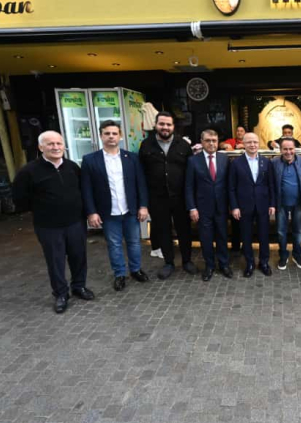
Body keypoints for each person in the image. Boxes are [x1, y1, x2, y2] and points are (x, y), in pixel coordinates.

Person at [13, 131, 94, 314]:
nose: (56, 147)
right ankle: (61, 294)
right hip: (48, 226)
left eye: (59, 143)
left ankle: (79, 286)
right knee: (55, 261)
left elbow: (82, 191)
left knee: (78, 256)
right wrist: (43, 209)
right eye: (50, 144)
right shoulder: (29, 171)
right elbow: (20, 199)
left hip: (75, 222)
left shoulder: (72, 167)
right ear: (41, 147)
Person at [81, 121, 150, 292]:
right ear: (101, 136)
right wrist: (91, 212)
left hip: (130, 210)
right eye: (107, 133)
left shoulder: (132, 158)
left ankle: (135, 270)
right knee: (114, 244)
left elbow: (141, 183)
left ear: (120, 136)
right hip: (108, 212)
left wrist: (143, 206)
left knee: (134, 242)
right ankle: (120, 274)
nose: (111, 136)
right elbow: (86, 189)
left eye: (114, 133)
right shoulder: (90, 160)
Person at [138, 112, 197, 280]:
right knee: (163, 231)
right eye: (162, 124)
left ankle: (187, 261)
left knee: (184, 230)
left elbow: (190, 174)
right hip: (157, 198)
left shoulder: (183, 145)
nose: (165, 127)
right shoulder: (146, 145)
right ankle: (169, 263)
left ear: (173, 126)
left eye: (168, 124)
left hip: (180, 197)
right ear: (155, 125)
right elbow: (141, 174)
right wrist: (143, 202)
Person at [185, 129, 233, 281]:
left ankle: (224, 264)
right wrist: (192, 207)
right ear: (201, 142)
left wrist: (232, 205)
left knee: (222, 236)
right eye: (208, 140)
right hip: (202, 208)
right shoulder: (193, 161)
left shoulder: (224, 159)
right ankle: (209, 266)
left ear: (218, 142)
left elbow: (230, 185)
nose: (211, 143)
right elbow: (189, 186)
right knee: (206, 238)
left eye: (214, 140)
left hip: (222, 207)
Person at [229, 132, 276, 277]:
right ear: (243, 144)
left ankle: (264, 262)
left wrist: (272, 204)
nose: (252, 145)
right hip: (244, 206)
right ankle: (249, 263)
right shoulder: (236, 163)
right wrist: (234, 206)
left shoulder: (266, 162)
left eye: (255, 142)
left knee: (264, 236)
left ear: (258, 143)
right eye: (249, 142)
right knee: (246, 236)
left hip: (263, 205)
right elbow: (231, 187)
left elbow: (271, 185)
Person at [271, 137, 301, 270]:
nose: (288, 152)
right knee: (281, 231)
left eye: (291, 149)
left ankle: (297, 255)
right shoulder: (274, 162)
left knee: (298, 231)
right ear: (280, 150)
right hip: (281, 203)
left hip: (298, 203)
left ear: (295, 149)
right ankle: (283, 255)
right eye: (285, 149)